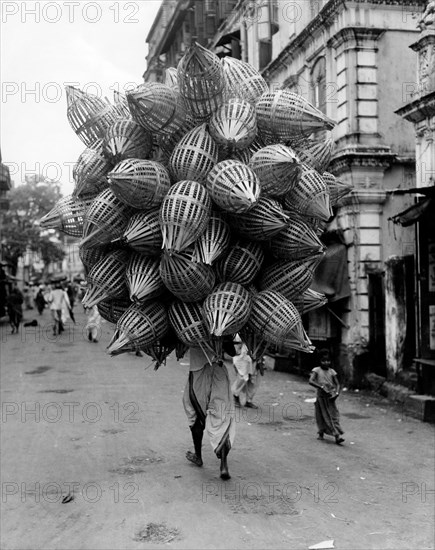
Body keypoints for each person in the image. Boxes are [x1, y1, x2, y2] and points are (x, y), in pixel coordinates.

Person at [182, 346, 236, 480]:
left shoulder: (190, 330)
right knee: (221, 415)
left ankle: (198, 456)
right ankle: (223, 465)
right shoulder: (224, 329)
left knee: (194, 412)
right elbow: (232, 352)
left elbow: (179, 350)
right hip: (218, 370)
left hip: (198, 372)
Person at [309, 348, 345, 445]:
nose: (326, 362)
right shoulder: (316, 370)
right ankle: (323, 433)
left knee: (333, 416)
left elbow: (337, 384)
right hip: (321, 398)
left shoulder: (332, 371)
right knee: (321, 416)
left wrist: (337, 393)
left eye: (328, 360)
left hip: (331, 398)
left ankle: (337, 435)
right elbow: (311, 381)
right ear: (320, 361)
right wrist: (321, 387)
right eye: (323, 360)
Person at [232, 339, 261, 409]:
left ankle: (248, 401)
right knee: (242, 378)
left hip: (254, 357)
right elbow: (236, 346)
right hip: (243, 357)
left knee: (253, 380)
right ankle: (235, 397)